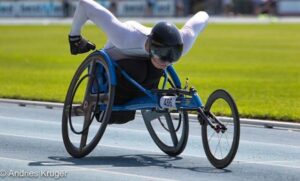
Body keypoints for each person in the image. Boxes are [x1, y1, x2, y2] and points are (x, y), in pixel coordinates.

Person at [68, 0, 209, 123]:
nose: (166, 62)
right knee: (139, 70)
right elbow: (84, 4)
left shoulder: (183, 41)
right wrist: (74, 38)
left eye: (172, 57)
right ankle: (112, 110)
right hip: (110, 72)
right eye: (162, 55)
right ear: (151, 46)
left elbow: (202, 16)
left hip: (142, 74)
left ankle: (157, 99)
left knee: (154, 70)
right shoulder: (125, 36)